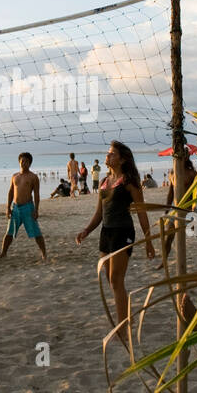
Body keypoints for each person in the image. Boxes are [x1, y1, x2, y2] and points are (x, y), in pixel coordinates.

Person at [76, 140, 154, 349]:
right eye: (108, 153)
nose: (108, 156)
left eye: (112, 153)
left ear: (122, 158)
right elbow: (99, 213)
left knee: (116, 280)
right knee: (112, 283)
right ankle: (127, 318)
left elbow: (142, 212)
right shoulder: (103, 181)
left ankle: (123, 328)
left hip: (123, 232)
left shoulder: (130, 181)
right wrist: (86, 230)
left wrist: (148, 241)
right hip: (106, 233)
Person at [0, 152, 46, 261]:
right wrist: (7, 208)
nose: (24, 163)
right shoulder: (15, 176)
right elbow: (10, 192)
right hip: (15, 208)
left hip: (28, 208)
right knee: (9, 232)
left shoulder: (33, 177)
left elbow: (36, 194)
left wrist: (36, 210)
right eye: (22, 161)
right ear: (19, 162)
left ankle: (44, 254)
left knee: (36, 232)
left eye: (26, 162)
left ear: (30, 163)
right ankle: (3, 252)